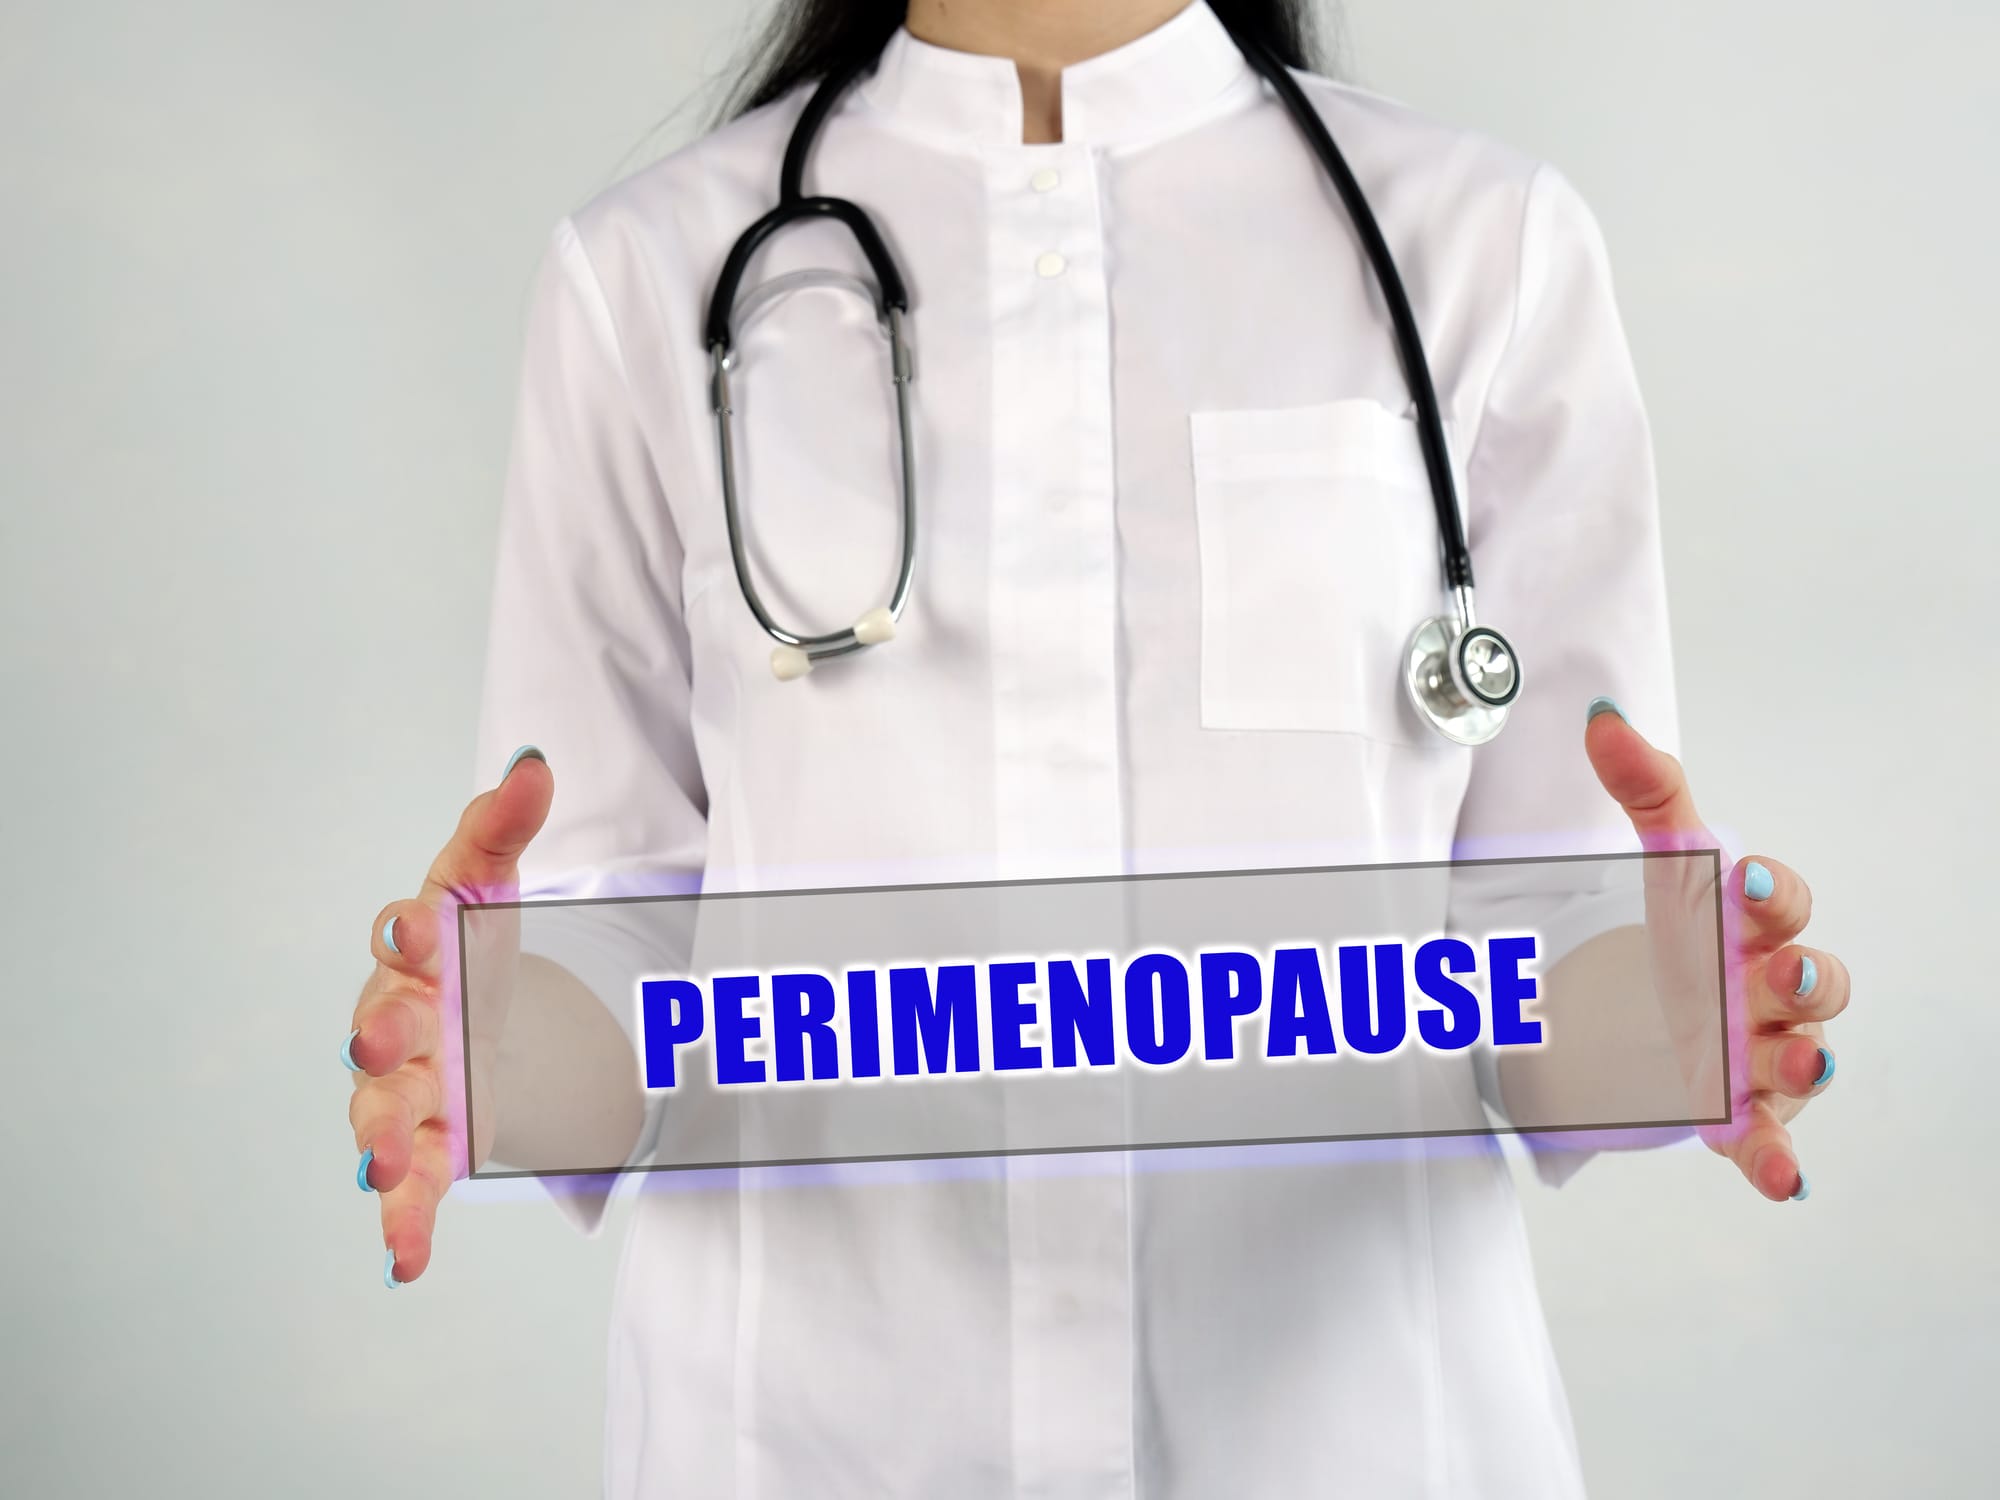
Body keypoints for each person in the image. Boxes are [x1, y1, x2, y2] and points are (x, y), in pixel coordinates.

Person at [342, 1, 1852, 1493]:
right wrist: (507, 1047)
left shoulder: (1481, 246)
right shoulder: (645, 275)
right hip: (814, 1437)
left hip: (1348, 1438)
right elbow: (606, 936)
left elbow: (1558, 938)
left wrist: (1665, 1019)